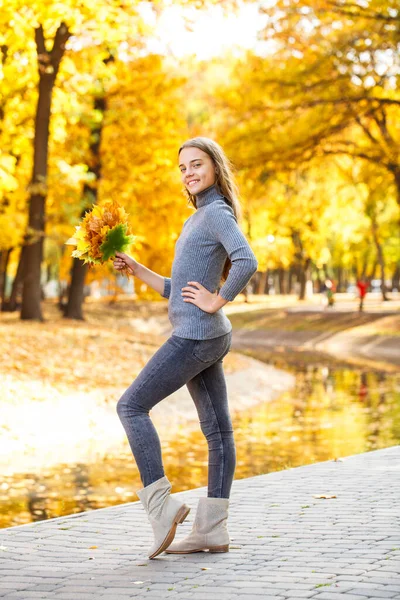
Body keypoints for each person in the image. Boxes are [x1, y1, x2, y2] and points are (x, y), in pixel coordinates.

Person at [113, 137, 258, 559]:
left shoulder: (216, 213)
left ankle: (161, 509)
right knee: (218, 431)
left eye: (197, 164)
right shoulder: (195, 219)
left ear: (215, 168)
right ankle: (212, 529)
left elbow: (246, 260)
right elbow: (179, 291)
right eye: (183, 168)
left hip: (197, 337)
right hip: (208, 334)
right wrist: (137, 268)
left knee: (131, 407)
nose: (189, 172)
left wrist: (219, 298)